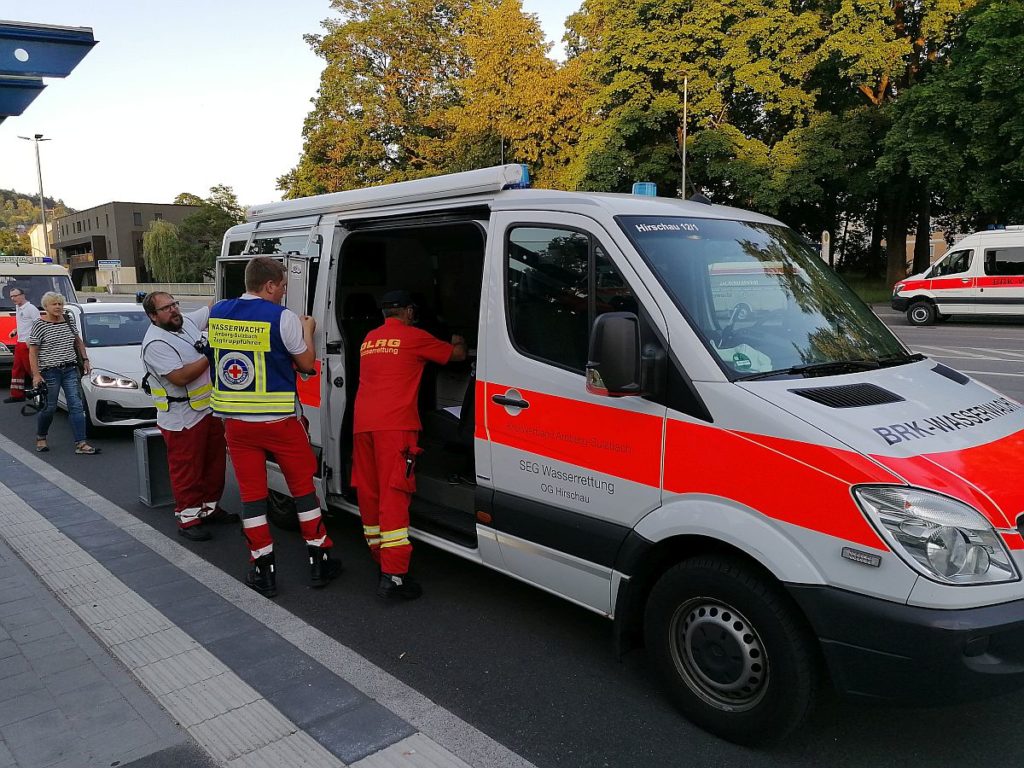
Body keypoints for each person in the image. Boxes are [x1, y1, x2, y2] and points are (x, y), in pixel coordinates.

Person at [208, 256, 340, 597]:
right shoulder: (282, 318)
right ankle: (319, 560)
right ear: (269, 285)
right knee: (303, 491)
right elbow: (307, 364)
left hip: (237, 426)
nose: (283, 292)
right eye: (282, 286)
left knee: (252, 498)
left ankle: (262, 569)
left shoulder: (217, 311)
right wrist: (307, 330)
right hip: (280, 422)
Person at [352, 289, 467, 600]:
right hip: (395, 426)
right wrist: (458, 336)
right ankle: (394, 576)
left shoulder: (369, 339)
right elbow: (454, 356)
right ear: (408, 312)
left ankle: (379, 559)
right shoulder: (414, 336)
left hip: (363, 424)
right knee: (394, 495)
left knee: (370, 491)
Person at [141, 292, 233, 542]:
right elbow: (181, 377)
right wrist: (211, 354)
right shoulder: (155, 343)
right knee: (187, 470)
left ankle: (210, 509)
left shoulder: (186, 322)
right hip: (181, 416)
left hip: (208, 409)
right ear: (153, 316)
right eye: (166, 308)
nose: (174, 310)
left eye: (174, 304)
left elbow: (213, 306)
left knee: (214, 464)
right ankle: (188, 518)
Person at [28, 292, 100, 455]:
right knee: (49, 408)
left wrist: (85, 359)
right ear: (46, 307)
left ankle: (81, 443)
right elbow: (33, 352)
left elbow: (78, 341)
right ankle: (41, 437)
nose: (58, 307)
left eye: (60, 304)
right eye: (54, 304)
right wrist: (36, 375)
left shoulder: (68, 320)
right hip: (50, 371)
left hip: (70, 369)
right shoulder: (39, 324)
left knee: (76, 406)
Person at [4, 287, 40, 403]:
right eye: (11, 297)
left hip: (27, 344)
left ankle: (42, 392)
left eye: (15, 296)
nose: (13, 299)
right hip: (19, 342)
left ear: (23, 295)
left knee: (31, 369)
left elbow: (38, 325)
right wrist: (16, 330)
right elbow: (24, 324)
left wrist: (32, 340)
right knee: (17, 369)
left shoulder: (31, 309)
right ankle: (17, 394)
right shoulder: (18, 308)